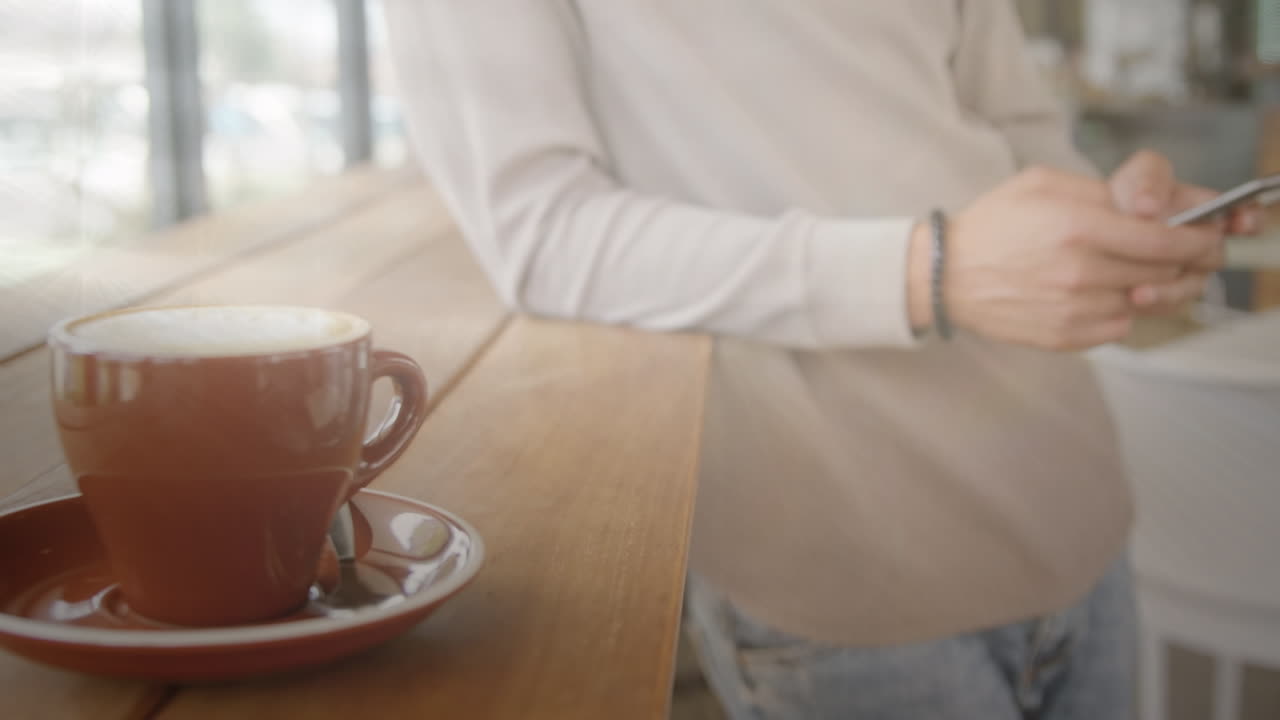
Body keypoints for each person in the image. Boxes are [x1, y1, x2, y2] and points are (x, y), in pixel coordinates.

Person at [382, 3, 1260, 718]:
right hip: (846, 563)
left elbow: (1020, 129)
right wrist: (932, 270)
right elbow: (543, 236)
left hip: (1073, 503)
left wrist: (1114, 219)